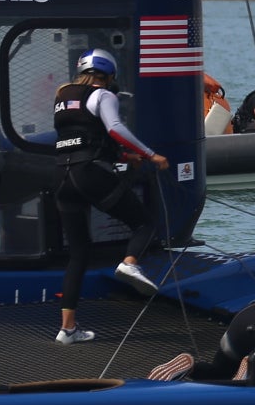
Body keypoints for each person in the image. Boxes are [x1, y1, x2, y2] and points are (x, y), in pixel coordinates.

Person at [52, 48, 170, 344]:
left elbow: (81, 135)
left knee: (79, 253)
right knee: (144, 223)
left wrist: (126, 157)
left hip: (62, 178)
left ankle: (67, 329)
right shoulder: (103, 95)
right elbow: (114, 128)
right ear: (107, 74)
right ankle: (130, 262)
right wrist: (150, 155)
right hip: (89, 174)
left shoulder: (62, 95)